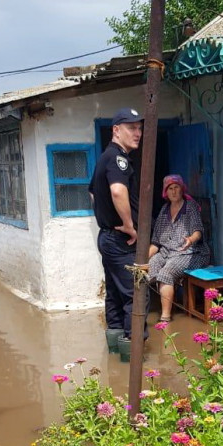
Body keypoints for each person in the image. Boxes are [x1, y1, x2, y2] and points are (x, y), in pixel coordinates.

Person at [89, 107, 144, 347]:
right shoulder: (117, 158)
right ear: (116, 130)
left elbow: (92, 192)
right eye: (131, 128)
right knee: (137, 293)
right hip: (121, 240)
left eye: (139, 128)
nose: (138, 132)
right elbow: (117, 191)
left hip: (108, 237)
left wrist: (106, 218)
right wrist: (129, 226)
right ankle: (134, 355)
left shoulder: (105, 156)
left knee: (114, 291)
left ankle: (116, 350)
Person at [148, 174, 210, 322]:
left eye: (176, 188)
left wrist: (190, 240)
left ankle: (165, 317)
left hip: (192, 253)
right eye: (170, 188)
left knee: (166, 273)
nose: (174, 192)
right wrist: (143, 259)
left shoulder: (190, 207)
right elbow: (156, 242)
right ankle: (146, 309)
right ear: (166, 192)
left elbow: (198, 231)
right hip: (167, 252)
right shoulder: (164, 210)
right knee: (149, 268)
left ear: (182, 190)